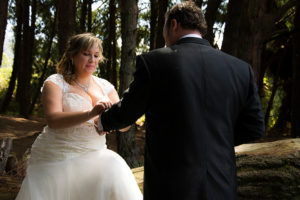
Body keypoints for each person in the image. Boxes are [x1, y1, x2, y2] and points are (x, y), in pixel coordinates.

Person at [96, 2, 265, 200]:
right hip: (221, 183)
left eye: (164, 30)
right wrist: (218, 140)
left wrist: (101, 121)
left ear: (173, 24)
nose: (164, 37)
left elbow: (128, 111)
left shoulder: (154, 62)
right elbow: (255, 127)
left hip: (170, 184)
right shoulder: (240, 69)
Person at [15, 33, 143, 200]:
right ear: (72, 55)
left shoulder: (106, 87)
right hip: (58, 153)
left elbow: (124, 125)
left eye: (96, 55)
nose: (92, 60)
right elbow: (53, 120)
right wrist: (90, 114)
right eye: (86, 54)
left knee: (115, 165)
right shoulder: (55, 82)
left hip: (95, 151)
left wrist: (108, 121)